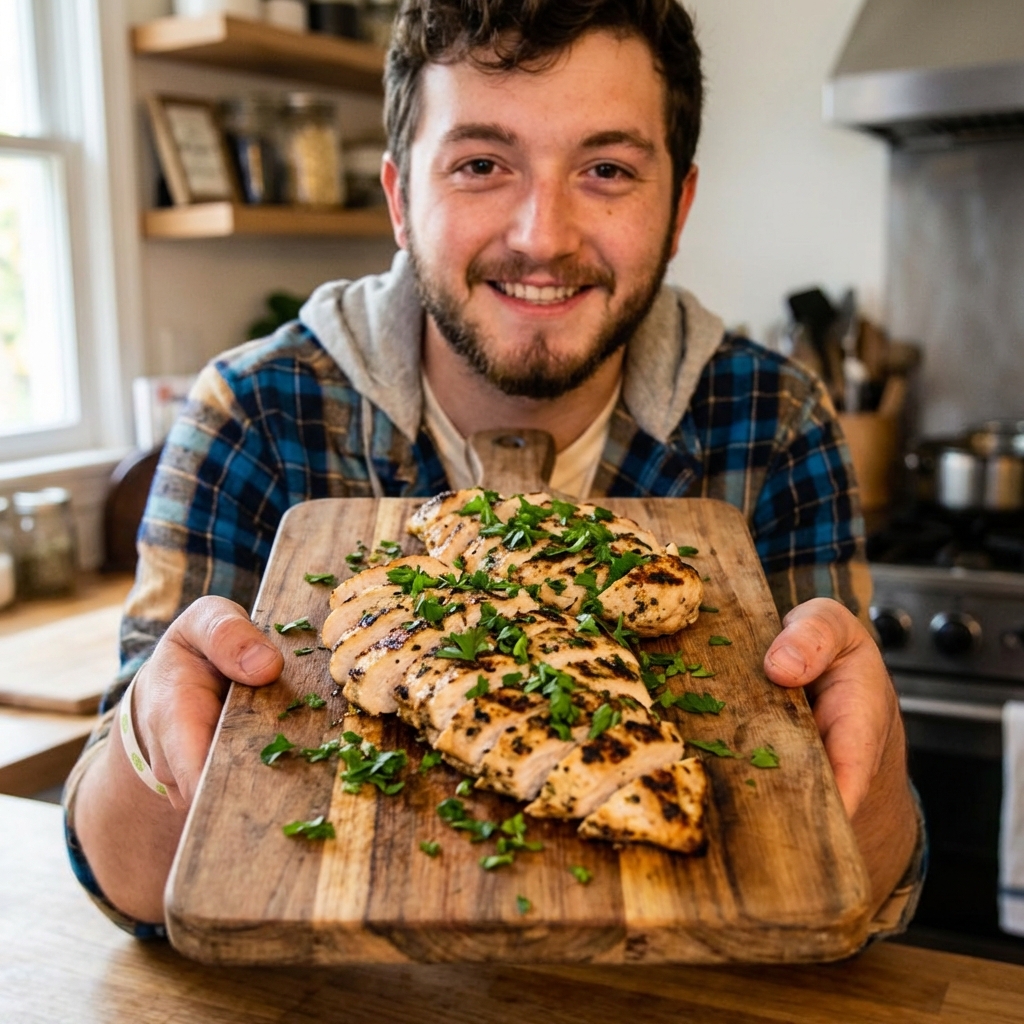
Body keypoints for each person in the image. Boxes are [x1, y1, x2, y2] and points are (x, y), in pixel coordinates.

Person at [66, 0, 923, 937]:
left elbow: (870, 902)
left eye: (606, 169)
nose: (541, 235)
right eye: (481, 164)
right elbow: (121, 882)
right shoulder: (255, 414)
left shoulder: (776, 421)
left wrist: (871, 779)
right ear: (400, 199)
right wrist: (152, 746)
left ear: (677, 208)